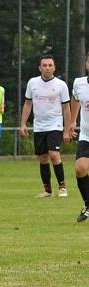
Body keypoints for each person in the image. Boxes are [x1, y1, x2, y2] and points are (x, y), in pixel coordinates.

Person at [20, 54, 73, 198]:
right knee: (43, 158)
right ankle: (48, 190)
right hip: (39, 126)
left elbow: (66, 109)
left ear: (54, 68)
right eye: (44, 65)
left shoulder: (61, 85)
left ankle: (62, 187)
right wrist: (23, 123)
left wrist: (67, 130)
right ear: (40, 67)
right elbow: (28, 103)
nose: (47, 68)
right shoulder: (32, 83)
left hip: (55, 125)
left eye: (50, 65)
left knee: (54, 154)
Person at [70, 53, 89, 222]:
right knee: (80, 168)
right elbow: (75, 99)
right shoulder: (79, 83)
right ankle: (88, 204)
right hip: (86, 135)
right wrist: (72, 121)